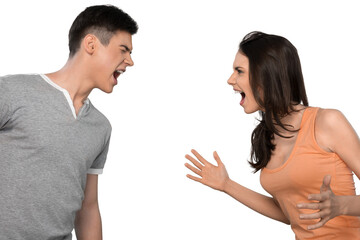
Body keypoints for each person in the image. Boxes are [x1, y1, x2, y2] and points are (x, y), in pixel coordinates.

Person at [185, 31, 360, 239]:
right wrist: (226, 185)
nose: (230, 80)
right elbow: (292, 214)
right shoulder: (268, 137)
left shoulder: (327, 122)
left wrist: (340, 205)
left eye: (239, 71)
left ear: (266, 75)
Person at [0, 5, 138, 239]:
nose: (130, 61)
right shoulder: (11, 92)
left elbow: (88, 207)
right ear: (91, 44)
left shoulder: (101, 127)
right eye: (123, 50)